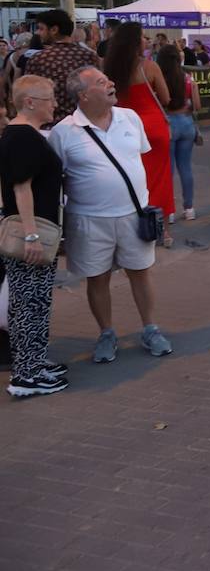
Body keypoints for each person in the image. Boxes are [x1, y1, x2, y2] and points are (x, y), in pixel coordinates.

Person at [49, 66, 172, 363]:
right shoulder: (63, 132)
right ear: (83, 95)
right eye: (102, 82)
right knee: (97, 278)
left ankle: (150, 328)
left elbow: (138, 159)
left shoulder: (130, 117)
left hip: (134, 214)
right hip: (89, 220)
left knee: (140, 272)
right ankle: (106, 333)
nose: (111, 83)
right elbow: (56, 181)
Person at [2, 76, 66, 396]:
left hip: (39, 230)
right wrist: (30, 235)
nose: (54, 103)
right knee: (29, 303)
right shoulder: (22, 137)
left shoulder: (25, 134)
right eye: (49, 98)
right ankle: (26, 376)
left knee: (36, 301)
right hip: (33, 232)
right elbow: (21, 188)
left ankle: (35, 362)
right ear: (30, 102)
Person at [103, 22, 176, 247]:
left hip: (123, 128)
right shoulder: (149, 67)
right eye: (143, 37)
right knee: (160, 178)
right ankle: (162, 231)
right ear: (136, 43)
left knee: (131, 179)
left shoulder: (108, 67)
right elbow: (165, 99)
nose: (146, 40)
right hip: (153, 127)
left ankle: (132, 227)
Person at [155, 45, 201, 221]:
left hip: (167, 124)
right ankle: (189, 208)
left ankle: (170, 211)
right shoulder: (189, 80)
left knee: (168, 169)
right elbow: (197, 106)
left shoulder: (159, 79)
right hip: (187, 123)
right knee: (185, 167)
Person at [26, 9, 92, 123]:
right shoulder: (89, 56)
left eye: (41, 28)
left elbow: (28, 93)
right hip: (86, 123)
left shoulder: (38, 59)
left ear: (54, 30)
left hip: (51, 124)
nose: (37, 33)